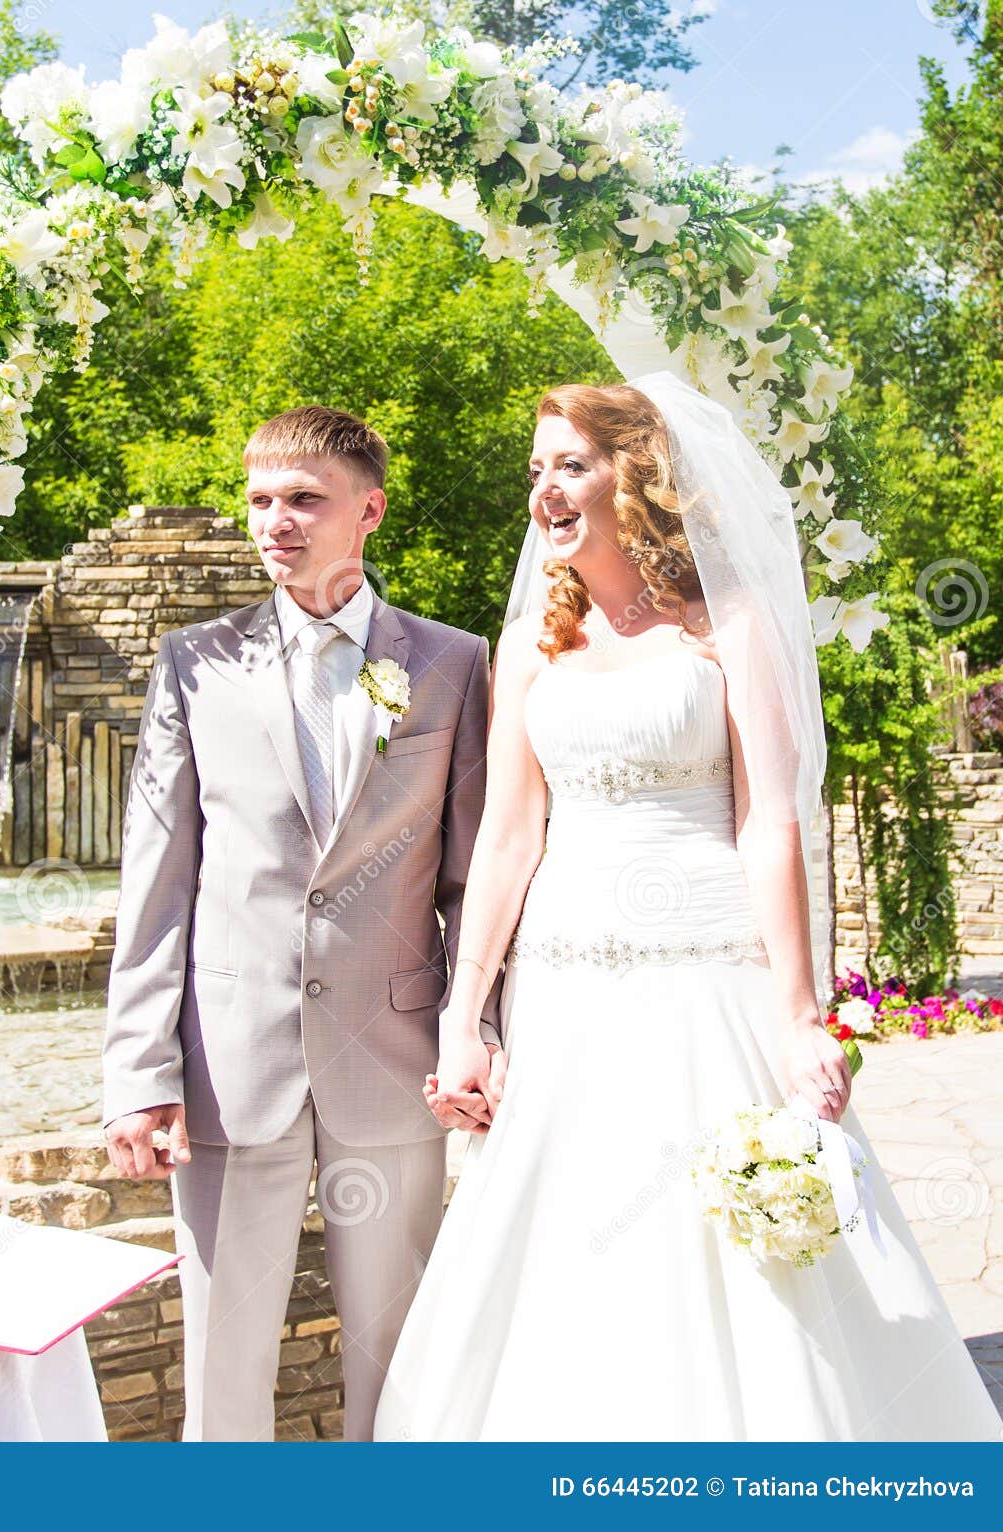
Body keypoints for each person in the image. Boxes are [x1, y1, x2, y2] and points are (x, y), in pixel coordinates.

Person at [375, 374, 1002, 1441]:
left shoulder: (730, 624)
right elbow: (508, 835)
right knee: (572, 1233)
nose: (547, 491)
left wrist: (800, 1009)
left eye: (571, 464)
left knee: (739, 1239)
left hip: (710, 973)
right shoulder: (529, 643)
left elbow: (770, 824)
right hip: (566, 989)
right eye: (536, 471)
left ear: (639, 473)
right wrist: (465, 1014)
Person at [100, 404, 500, 1440]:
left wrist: (482, 1032)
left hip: (395, 1055)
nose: (276, 521)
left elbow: (471, 878)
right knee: (222, 1364)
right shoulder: (192, 661)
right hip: (232, 1059)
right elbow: (157, 878)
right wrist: (139, 1073)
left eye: (304, 500)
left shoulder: (453, 663)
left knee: (396, 1352)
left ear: (366, 511)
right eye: (261, 500)